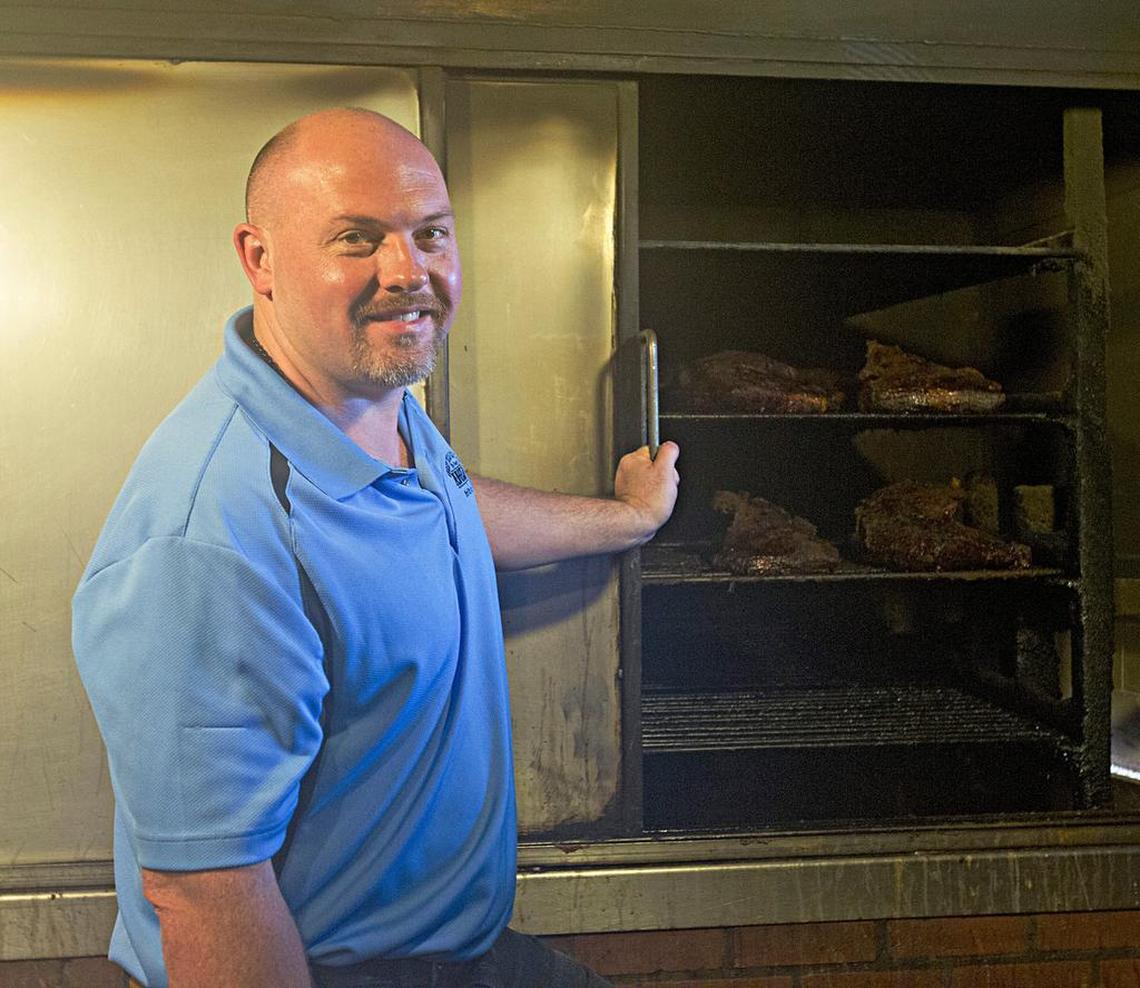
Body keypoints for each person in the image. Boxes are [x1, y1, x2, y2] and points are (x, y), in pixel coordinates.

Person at [72, 107, 680, 988]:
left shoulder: (366, 403)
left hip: (455, 950)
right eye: (357, 239)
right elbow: (205, 894)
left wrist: (624, 520)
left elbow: (439, 511)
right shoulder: (211, 539)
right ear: (260, 259)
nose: (409, 272)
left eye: (430, 234)